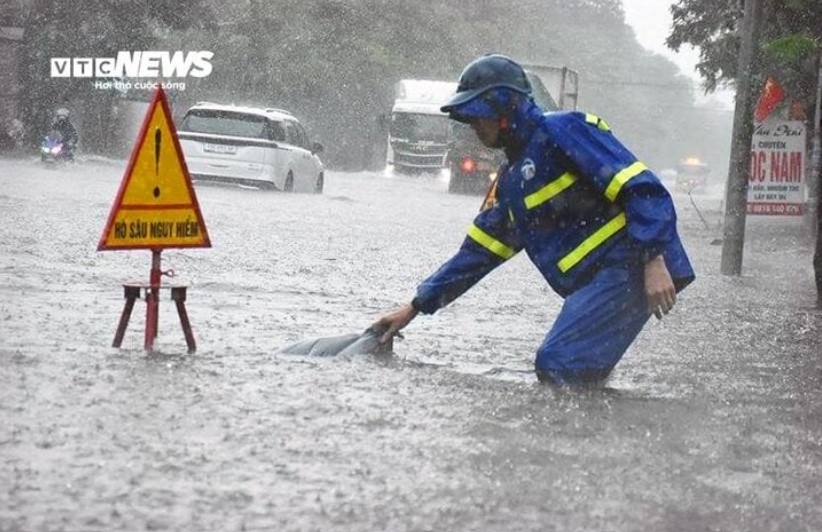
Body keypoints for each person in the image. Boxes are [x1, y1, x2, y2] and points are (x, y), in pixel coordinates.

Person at [373, 54, 695, 387]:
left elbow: (643, 188)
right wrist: (414, 307)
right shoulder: (512, 181)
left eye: (477, 115)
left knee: (559, 363)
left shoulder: (563, 131)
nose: (472, 126)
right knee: (575, 368)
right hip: (605, 279)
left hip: (631, 266)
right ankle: (604, 423)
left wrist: (653, 260)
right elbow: (477, 255)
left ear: (502, 108)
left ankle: (587, 432)